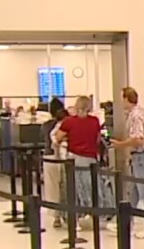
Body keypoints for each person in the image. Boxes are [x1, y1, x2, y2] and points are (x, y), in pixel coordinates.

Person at [54, 96, 115, 232]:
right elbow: (98, 139)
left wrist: (68, 138)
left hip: (73, 159)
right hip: (90, 160)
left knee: (72, 190)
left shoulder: (68, 122)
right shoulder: (94, 121)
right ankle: (97, 214)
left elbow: (57, 137)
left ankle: (74, 221)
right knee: (93, 188)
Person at [112, 87, 144, 239]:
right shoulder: (141, 112)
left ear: (126, 99)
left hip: (142, 156)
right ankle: (126, 221)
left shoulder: (136, 116)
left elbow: (138, 139)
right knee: (134, 191)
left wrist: (120, 145)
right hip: (139, 156)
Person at [40, 99, 68, 228]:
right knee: (65, 186)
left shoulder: (45, 125)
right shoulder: (67, 123)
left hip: (49, 157)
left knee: (52, 188)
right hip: (65, 157)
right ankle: (67, 213)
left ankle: (56, 216)